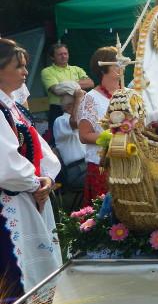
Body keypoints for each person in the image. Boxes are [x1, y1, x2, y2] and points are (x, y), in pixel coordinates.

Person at [0, 38, 62, 304]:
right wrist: (36, 183)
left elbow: (41, 148)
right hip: (10, 204)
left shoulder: (14, 107)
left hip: (30, 198)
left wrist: (46, 177)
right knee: (15, 274)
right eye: (18, 66)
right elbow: (6, 165)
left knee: (38, 269)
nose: (26, 72)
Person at [78, 46, 119, 206]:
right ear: (103, 68)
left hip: (128, 164)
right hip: (102, 166)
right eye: (116, 62)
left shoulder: (129, 94)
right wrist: (112, 138)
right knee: (105, 215)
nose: (121, 65)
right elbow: (84, 135)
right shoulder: (91, 98)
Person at [41, 43, 94, 145]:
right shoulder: (47, 71)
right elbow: (56, 90)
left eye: (65, 53)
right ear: (52, 57)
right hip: (58, 110)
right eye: (60, 54)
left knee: (81, 137)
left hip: (79, 107)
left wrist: (67, 84)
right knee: (56, 142)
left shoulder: (76, 69)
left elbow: (90, 83)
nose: (64, 56)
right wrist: (78, 87)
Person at [53, 89, 87, 189]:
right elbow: (76, 122)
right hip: (77, 171)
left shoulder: (84, 120)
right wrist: (79, 97)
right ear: (70, 106)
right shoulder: (60, 120)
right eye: (81, 103)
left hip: (86, 166)